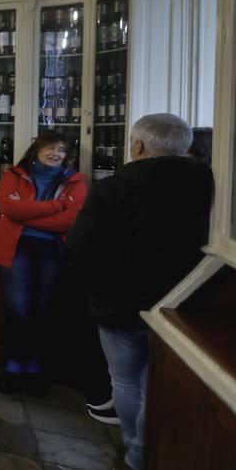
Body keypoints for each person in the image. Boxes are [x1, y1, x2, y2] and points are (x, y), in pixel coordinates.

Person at [68, 114, 213, 470]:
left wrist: (98, 281)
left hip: (121, 297)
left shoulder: (113, 188)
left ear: (137, 146)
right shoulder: (208, 181)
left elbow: (79, 246)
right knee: (156, 383)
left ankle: (136, 450)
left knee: (126, 380)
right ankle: (150, 451)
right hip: (184, 299)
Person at [0, 130, 87, 397]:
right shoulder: (14, 175)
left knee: (44, 309)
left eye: (62, 150)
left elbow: (73, 220)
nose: (56, 154)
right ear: (37, 150)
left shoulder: (76, 181)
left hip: (53, 249)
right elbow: (9, 208)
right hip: (16, 248)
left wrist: (25, 215)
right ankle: (14, 368)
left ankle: (34, 369)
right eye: (51, 148)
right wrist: (55, 207)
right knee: (19, 308)